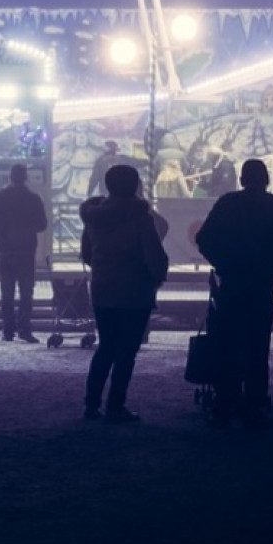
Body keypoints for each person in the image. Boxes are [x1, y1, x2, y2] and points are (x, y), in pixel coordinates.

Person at [194, 159, 273, 428]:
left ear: (242, 179)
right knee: (258, 345)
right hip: (262, 284)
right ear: (266, 179)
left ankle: (224, 401)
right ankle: (253, 403)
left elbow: (204, 239)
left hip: (232, 282)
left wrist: (224, 263)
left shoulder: (227, 203)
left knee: (227, 343)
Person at [79, 165, 169, 423]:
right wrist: (157, 277)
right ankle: (115, 405)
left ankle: (91, 403)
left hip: (102, 289)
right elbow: (153, 254)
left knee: (106, 346)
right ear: (135, 185)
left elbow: (87, 254)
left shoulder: (94, 217)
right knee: (127, 351)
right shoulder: (141, 218)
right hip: (134, 290)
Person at [0, 163, 49, 343]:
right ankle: (25, 329)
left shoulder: (0, 198)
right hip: (26, 250)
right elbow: (42, 225)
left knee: (7, 292)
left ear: (10, 177)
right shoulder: (33, 199)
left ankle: (8, 331)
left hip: (6, 250)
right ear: (26, 177)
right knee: (26, 292)